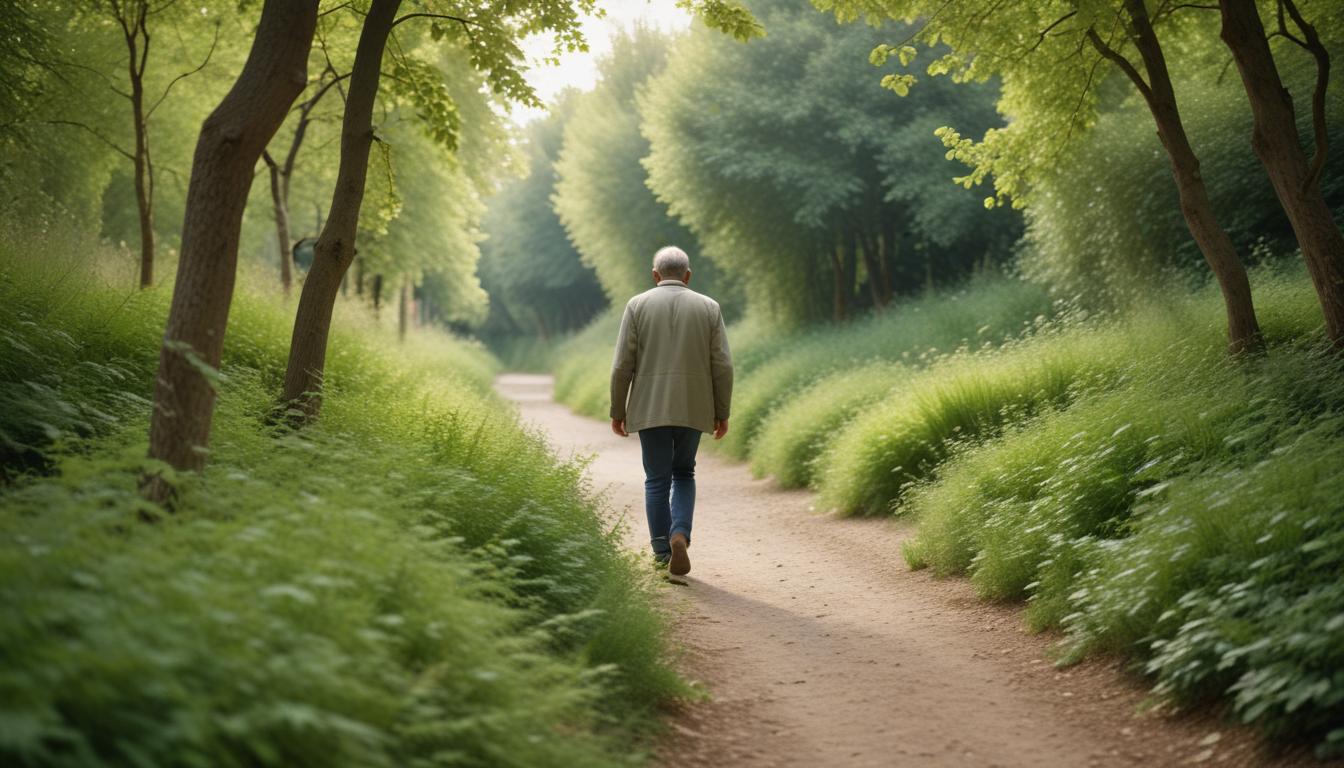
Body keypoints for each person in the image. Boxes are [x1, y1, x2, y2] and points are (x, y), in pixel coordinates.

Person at [610, 246, 733, 577]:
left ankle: (662, 552)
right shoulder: (709, 307)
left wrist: (617, 410)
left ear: (655, 275)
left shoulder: (637, 305)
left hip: (650, 407)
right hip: (694, 406)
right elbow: (722, 365)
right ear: (688, 275)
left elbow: (622, 364)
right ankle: (680, 532)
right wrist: (722, 411)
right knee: (684, 473)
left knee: (656, 479)